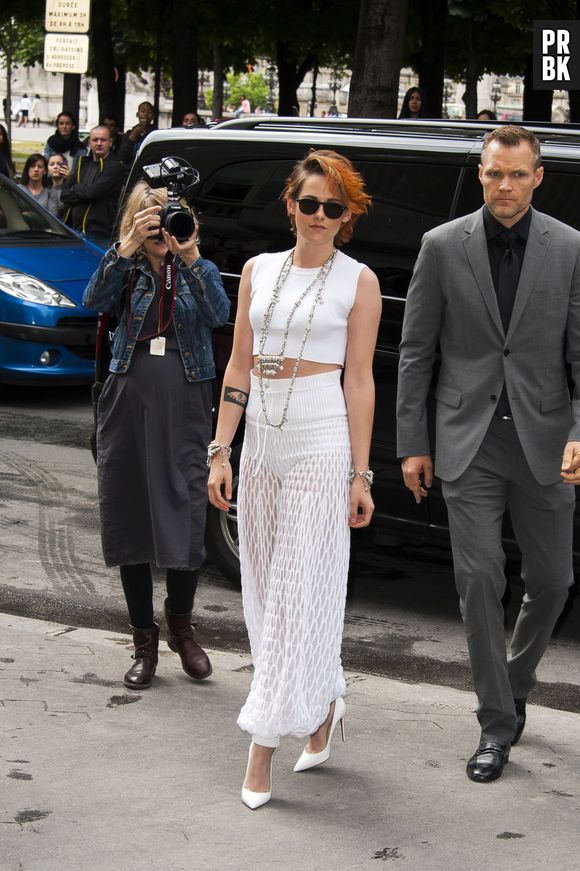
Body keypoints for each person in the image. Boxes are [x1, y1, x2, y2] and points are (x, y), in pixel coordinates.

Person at [397, 125, 580, 784]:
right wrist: (413, 442)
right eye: (493, 174)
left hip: (545, 440)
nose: (504, 186)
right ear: (481, 174)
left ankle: (514, 681)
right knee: (478, 581)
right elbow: (417, 351)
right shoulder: (443, 246)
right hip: (466, 441)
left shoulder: (570, 248)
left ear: (538, 176)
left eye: (517, 174)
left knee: (554, 580)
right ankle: (495, 724)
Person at [208, 149, 381, 809]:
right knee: (261, 586)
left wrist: (360, 473)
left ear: (348, 215)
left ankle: (261, 746)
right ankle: (325, 699)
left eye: (333, 208)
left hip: (320, 437)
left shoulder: (357, 281)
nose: (318, 216)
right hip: (262, 443)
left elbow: (359, 380)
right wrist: (220, 448)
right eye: (308, 203)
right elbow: (238, 367)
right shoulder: (257, 270)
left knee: (291, 590)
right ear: (290, 205)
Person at [82, 180, 230, 690]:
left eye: (165, 217)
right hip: (127, 402)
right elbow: (91, 299)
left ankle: (182, 628)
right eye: (147, 218)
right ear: (133, 223)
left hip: (186, 404)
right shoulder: (121, 267)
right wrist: (124, 250)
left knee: (186, 511)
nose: (158, 227)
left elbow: (219, 315)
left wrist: (187, 256)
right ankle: (143, 641)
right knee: (130, 514)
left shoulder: (198, 269)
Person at [60, 125, 125, 248]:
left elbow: (94, 193)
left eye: (103, 140)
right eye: (95, 140)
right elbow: (64, 194)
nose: (99, 143)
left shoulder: (115, 167)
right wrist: (85, 192)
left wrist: (76, 188)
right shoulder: (82, 164)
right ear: (89, 142)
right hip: (74, 230)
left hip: (99, 235)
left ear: (110, 143)